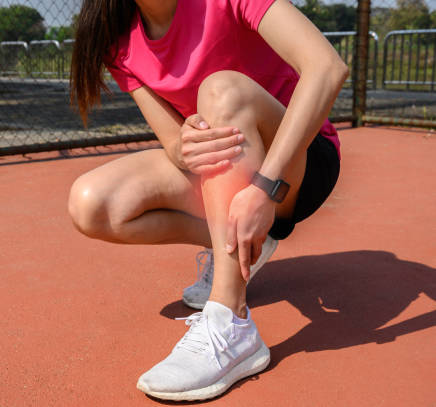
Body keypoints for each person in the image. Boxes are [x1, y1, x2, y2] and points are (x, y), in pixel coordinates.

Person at [68, 0, 347, 401]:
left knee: (220, 89)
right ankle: (246, 243)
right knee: (91, 203)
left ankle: (230, 323)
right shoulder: (117, 40)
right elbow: (176, 146)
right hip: (229, 166)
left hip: (298, 164)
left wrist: (266, 187)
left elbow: (327, 67)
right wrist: (189, 140)